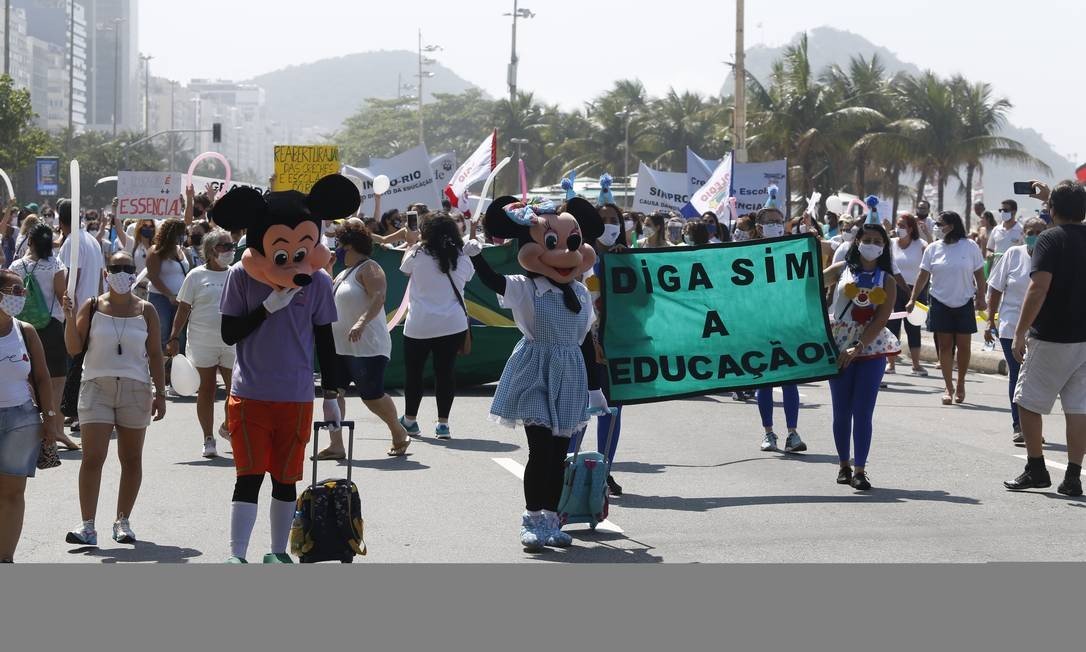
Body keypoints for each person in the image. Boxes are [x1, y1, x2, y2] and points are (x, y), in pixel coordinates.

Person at [211, 174, 356, 563]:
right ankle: (237, 553)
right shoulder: (241, 277)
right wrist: (265, 309)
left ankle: (276, 552)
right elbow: (229, 333)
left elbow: (325, 340)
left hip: (295, 396)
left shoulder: (319, 282)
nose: (293, 259)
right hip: (249, 393)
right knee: (248, 477)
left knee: (285, 480)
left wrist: (332, 395)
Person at [465, 196, 604, 551]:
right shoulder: (527, 287)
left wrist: (594, 388)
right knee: (540, 451)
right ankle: (531, 519)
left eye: (573, 243)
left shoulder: (580, 292)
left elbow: (585, 341)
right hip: (535, 371)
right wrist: (476, 255)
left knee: (559, 453)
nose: (565, 253)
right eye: (553, 243)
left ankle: (552, 519)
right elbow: (494, 282)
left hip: (570, 373)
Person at [61, 251, 167, 546]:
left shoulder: (146, 310)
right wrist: (69, 317)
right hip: (96, 387)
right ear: (106, 273)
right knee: (92, 457)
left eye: (127, 267)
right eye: (115, 267)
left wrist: (161, 393)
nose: (122, 272)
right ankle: (87, 525)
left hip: (135, 389)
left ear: (136, 272)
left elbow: (156, 354)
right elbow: (73, 348)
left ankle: (122, 521)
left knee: (131, 459)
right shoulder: (92, 305)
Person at [1004, 180, 1086, 497]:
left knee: (1027, 402)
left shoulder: (1049, 239)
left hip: (1052, 336)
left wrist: (1020, 331)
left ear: (1052, 210)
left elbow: (1038, 288)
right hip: (1083, 338)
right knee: (1078, 408)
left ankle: (1036, 468)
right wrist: (1052, 197)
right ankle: (1073, 476)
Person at [316, 219, 411, 460]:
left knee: (372, 397)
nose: (336, 247)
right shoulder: (343, 272)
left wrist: (360, 323)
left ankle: (399, 432)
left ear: (350, 245)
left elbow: (378, 297)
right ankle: (336, 445)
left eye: (340, 243)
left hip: (367, 347)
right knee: (333, 395)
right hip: (339, 347)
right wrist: (328, 269)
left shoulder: (370, 267)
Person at [823, 225, 900, 490]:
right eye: (866, 240)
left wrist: (858, 345)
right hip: (837, 345)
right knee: (841, 411)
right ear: (856, 242)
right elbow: (807, 283)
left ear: (884, 246)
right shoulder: (841, 269)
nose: (871, 244)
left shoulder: (887, 279)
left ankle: (860, 470)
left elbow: (881, 317)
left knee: (863, 412)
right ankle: (843, 465)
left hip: (871, 348)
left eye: (877, 241)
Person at [0, 270, 60, 562]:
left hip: (21, 420)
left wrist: (50, 418)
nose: (21, 296)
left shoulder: (25, 330)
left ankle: (5, 558)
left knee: (12, 492)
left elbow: (42, 377)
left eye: (22, 291)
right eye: (15, 291)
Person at [398, 213, 473, 439]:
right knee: (445, 373)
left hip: (419, 324)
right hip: (452, 324)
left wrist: (413, 243)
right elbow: (468, 276)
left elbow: (404, 269)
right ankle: (443, 425)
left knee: (414, 373)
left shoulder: (416, 254)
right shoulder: (462, 256)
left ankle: (410, 420)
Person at [8, 224, 80, 451]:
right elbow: (63, 297)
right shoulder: (55, 265)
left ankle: (31, 429)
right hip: (51, 328)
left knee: (29, 379)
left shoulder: (16, 266)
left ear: (29, 241)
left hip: (23, 329)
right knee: (57, 380)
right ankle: (57, 429)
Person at [166, 229, 236, 458]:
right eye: (224, 246)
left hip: (232, 342)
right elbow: (184, 308)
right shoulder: (195, 276)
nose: (230, 250)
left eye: (231, 245)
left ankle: (227, 427)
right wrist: (174, 336)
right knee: (206, 390)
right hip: (202, 342)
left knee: (236, 391)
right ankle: (208, 438)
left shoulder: (237, 274)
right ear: (211, 250)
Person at [907, 211, 987, 405]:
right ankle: (948, 386)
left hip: (964, 301)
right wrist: (912, 298)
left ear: (951, 225)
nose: (936, 227)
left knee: (964, 345)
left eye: (939, 224)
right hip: (940, 301)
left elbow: (979, 274)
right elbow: (923, 275)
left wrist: (982, 298)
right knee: (944, 346)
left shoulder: (970, 246)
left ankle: (960, 383)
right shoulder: (933, 248)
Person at [986, 217, 1047, 445]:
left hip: (1042, 330)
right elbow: (995, 288)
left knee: (1035, 379)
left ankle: (1032, 426)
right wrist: (990, 320)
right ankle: (1019, 427)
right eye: (1031, 231)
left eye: (1040, 231)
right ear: (1024, 234)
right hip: (1011, 326)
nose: (1035, 235)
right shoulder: (1013, 254)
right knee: (1019, 374)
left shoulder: (1054, 256)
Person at [751, 206, 806, 452]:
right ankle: (769, 433)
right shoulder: (747, 253)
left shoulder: (793, 249)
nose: (775, 224)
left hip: (788, 324)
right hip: (760, 325)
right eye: (770, 221)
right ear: (759, 227)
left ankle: (793, 434)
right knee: (764, 380)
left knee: (790, 381)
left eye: (779, 220)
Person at [145, 218, 191, 384]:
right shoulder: (155, 251)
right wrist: (169, 295)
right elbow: (153, 276)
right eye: (179, 233)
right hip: (161, 298)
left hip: (180, 301)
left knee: (179, 335)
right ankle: (161, 374)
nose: (183, 236)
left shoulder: (181, 250)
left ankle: (177, 374)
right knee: (163, 334)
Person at [886, 213, 928, 376]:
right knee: (892, 327)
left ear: (911, 228)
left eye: (903, 226)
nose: (899, 229)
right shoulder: (891, 244)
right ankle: (891, 364)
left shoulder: (921, 244)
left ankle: (916, 364)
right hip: (894, 290)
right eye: (898, 225)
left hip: (916, 291)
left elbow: (930, 261)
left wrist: (915, 295)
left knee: (914, 327)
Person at [57, 200, 105, 313]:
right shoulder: (93, 240)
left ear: (60, 222)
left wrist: (69, 315)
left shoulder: (71, 243)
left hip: (76, 313)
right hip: (92, 309)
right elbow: (100, 280)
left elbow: (71, 282)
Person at [986, 199, 1025, 274]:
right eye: (1000, 210)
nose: (1002, 212)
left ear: (1014, 212)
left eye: (1005, 210)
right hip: (996, 271)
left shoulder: (1021, 230)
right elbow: (989, 249)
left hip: (1014, 271)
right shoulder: (996, 229)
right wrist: (989, 255)